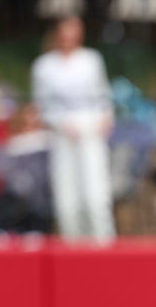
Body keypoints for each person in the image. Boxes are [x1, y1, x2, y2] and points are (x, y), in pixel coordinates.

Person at [31, 15, 115, 244]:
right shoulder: (44, 66)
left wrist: (104, 119)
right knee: (67, 199)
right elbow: (42, 106)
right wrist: (61, 123)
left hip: (91, 134)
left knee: (95, 196)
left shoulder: (91, 60)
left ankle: (102, 247)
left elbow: (103, 97)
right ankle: (72, 250)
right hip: (62, 137)